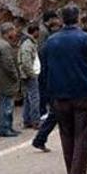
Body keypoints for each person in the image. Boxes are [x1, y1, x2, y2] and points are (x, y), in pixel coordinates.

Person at [41, 4, 87, 174]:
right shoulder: (86, 39)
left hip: (59, 96)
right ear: (78, 18)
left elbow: (45, 69)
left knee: (66, 135)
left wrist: (48, 95)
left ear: (62, 20)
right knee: (82, 136)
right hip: (82, 94)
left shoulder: (51, 42)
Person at [32, 12, 63, 152]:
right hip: (54, 81)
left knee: (56, 113)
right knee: (57, 112)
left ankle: (40, 139)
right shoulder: (46, 37)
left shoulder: (47, 38)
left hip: (51, 80)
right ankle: (40, 138)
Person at [0, 22, 21, 137]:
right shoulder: (4, 45)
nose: (15, 33)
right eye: (13, 30)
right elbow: (8, 63)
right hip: (6, 79)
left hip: (2, 79)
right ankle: (5, 128)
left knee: (6, 103)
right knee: (7, 105)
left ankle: (8, 126)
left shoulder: (0, 43)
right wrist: (15, 75)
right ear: (8, 32)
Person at [19, 22, 42, 129]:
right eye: (38, 31)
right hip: (30, 75)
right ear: (35, 31)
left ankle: (27, 120)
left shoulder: (29, 43)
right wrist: (31, 74)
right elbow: (26, 62)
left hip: (28, 74)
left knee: (28, 98)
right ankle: (36, 121)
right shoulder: (28, 44)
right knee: (34, 98)